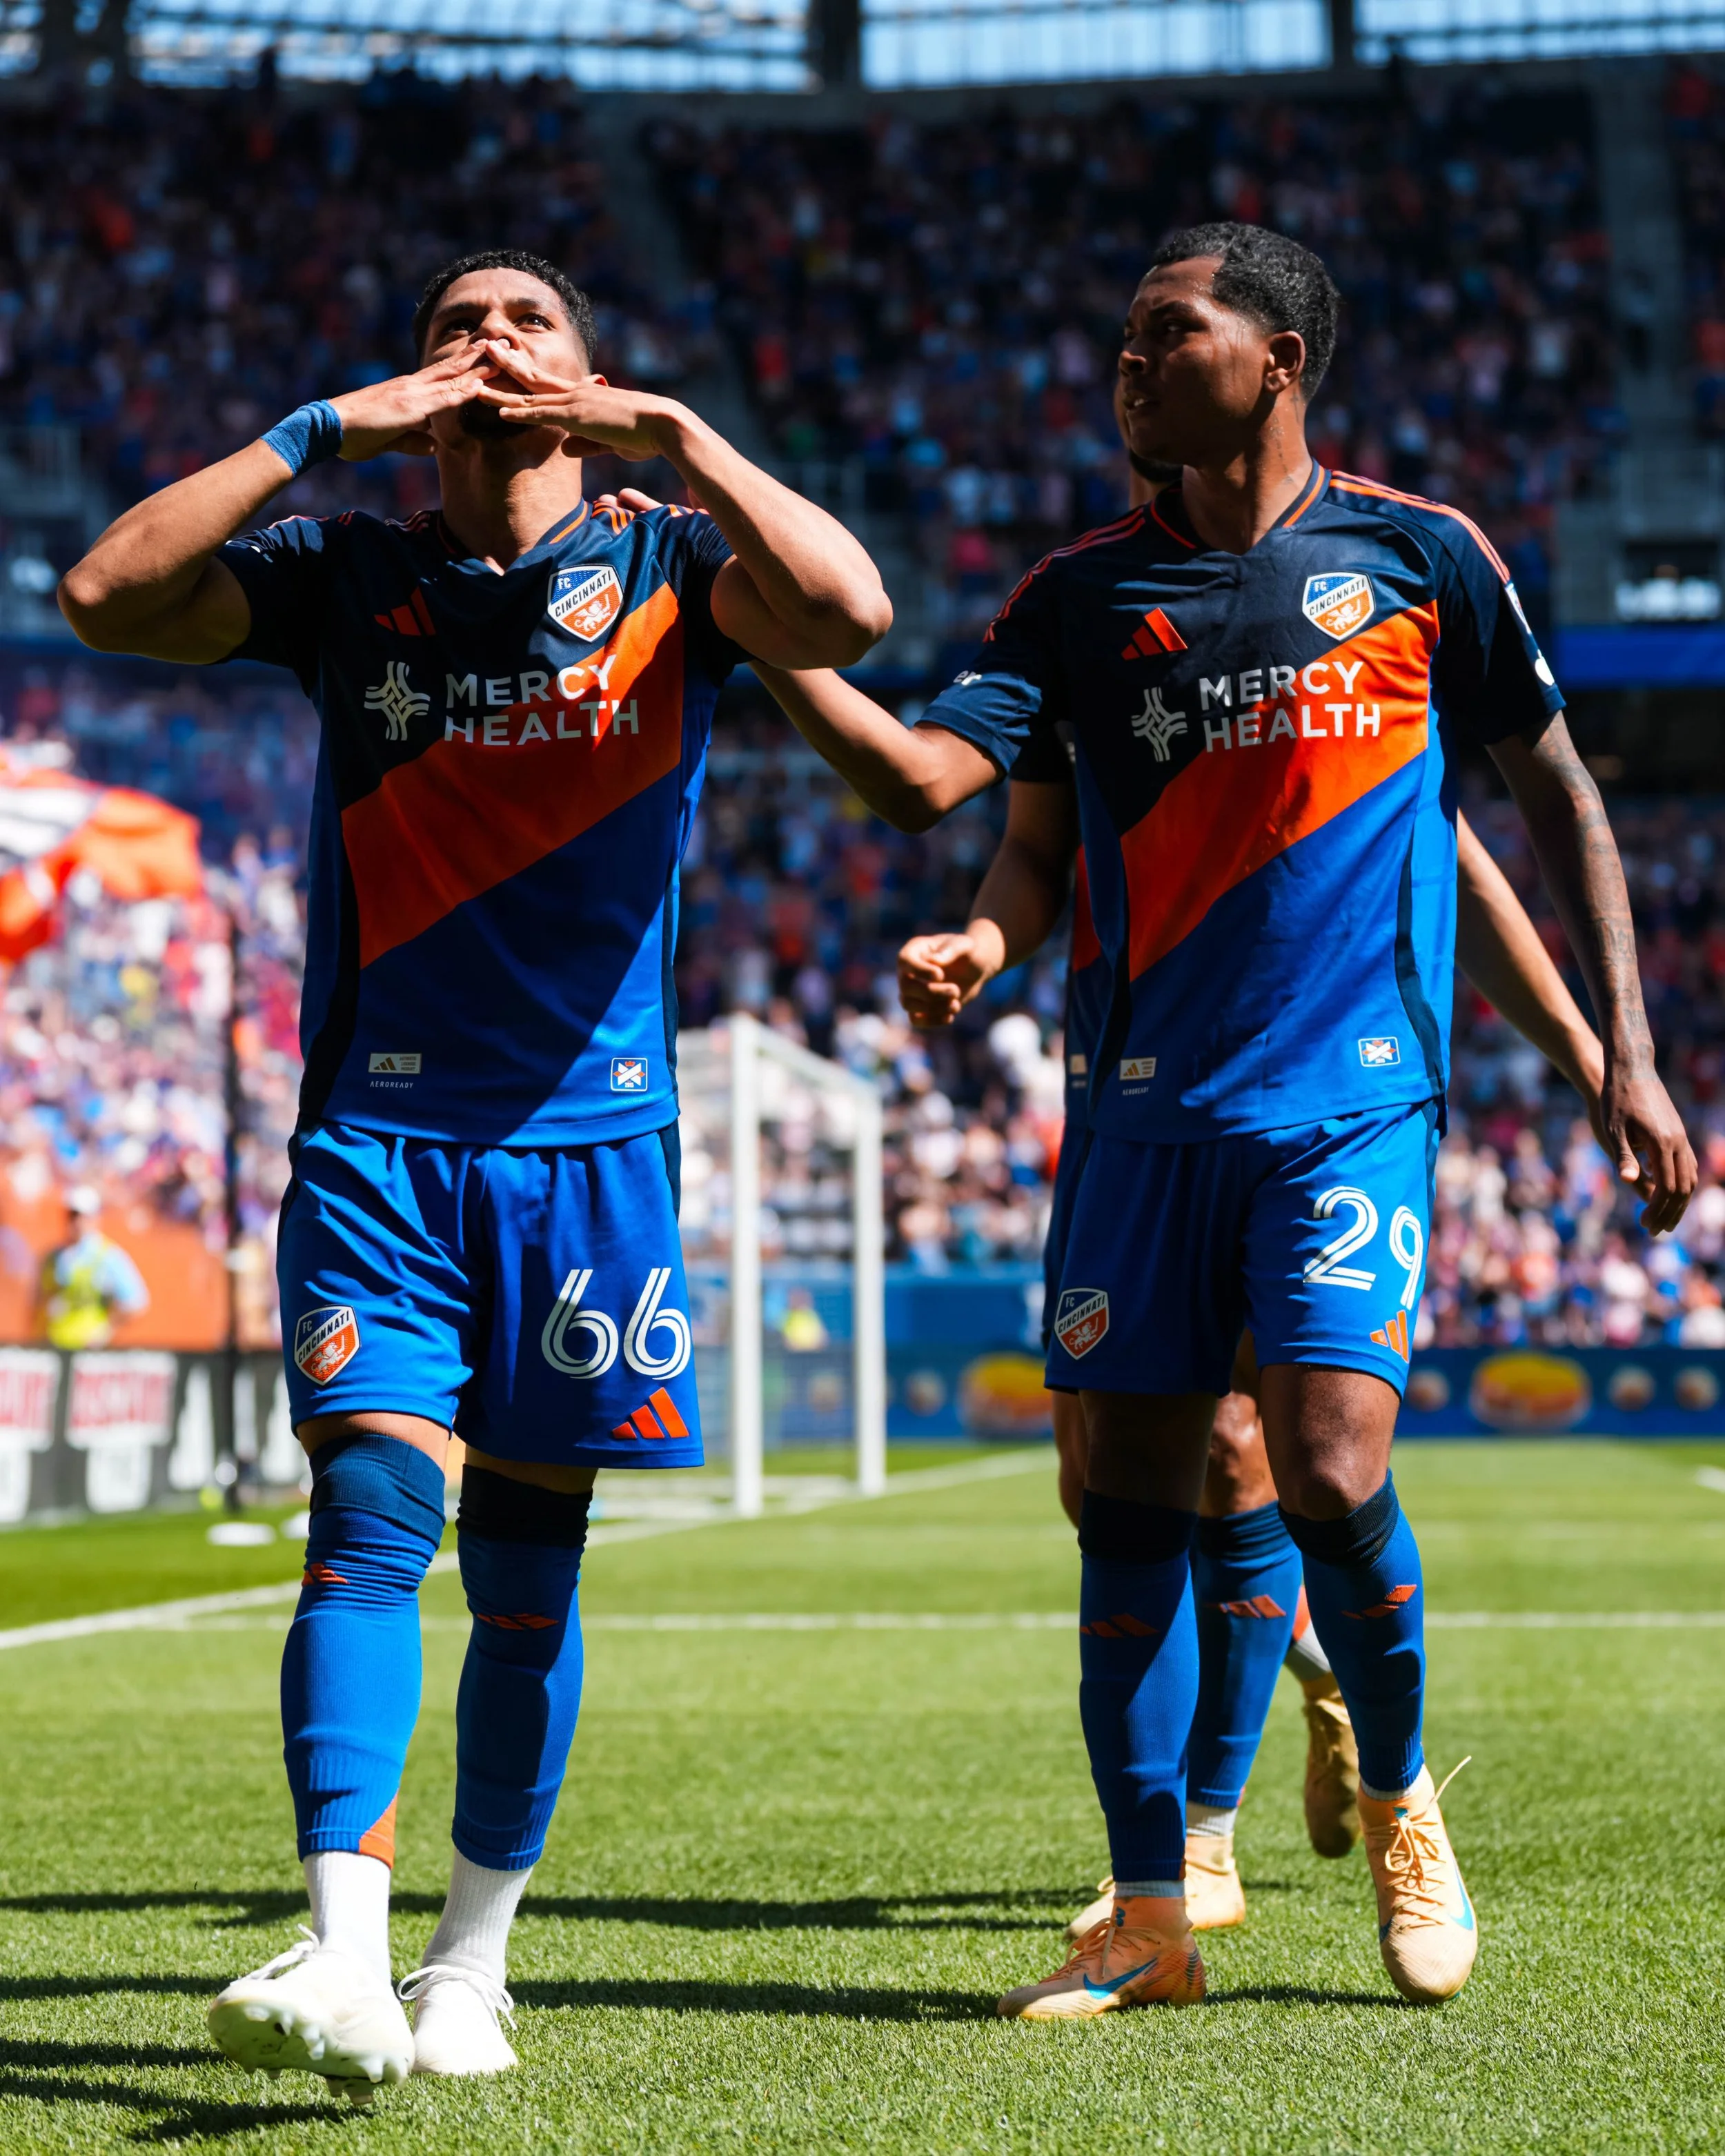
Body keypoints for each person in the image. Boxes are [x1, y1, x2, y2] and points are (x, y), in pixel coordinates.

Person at [739, 221, 1695, 2014]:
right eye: (1118, 335)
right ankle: (1150, 1905)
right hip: (1134, 1113)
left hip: (1342, 1103)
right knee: (1123, 1504)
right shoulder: (1074, 597)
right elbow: (964, 808)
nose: (1124, 359)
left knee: (1326, 1457)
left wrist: (1620, 1053)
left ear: (1275, 357)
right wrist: (968, 924)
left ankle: (1402, 1793)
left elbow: (1540, 800)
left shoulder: (1417, 559)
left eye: (1163, 332)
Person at [59, 246, 889, 2099]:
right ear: (415, 383)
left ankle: (468, 1964)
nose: (491, 347)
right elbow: (106, 590)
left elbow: (848, 609)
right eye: (457, 328)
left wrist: (671, 432)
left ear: (587, 388)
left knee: (528, 1577)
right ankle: (343, 1952)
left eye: (530, 328)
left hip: (592, 1154)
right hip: (384, 1132)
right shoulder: (349, 571)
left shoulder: (672, 559)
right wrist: (317, 428)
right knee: (366, 1521)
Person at [896, 780, 1610, 1941]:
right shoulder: (1079, 611)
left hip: (1309, 1085)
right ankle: (1317, 1664)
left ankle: (1206, 1842)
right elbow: (1014, 826)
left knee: (1245, 1451)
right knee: (1105, 1490)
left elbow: (1450, 830)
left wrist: (1589, 1044)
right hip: (1125, 1088)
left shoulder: (1363, 630)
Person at [39, 1185, 150, 1349]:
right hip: (54, 1345)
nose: (75, 1221)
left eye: (80, 1216)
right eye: (71, 1215)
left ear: (94, 1218)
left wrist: (105, 1329)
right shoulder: (54, 1256)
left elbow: (136, 1303)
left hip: (87, 1353)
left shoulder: (109, 1257)